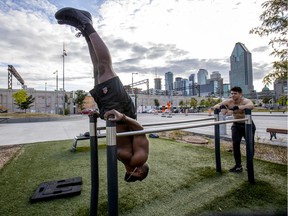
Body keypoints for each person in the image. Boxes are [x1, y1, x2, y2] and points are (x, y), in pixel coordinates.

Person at [55, 7, 149, 182]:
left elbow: (118, 135)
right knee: (105, 67)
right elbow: (139, 130)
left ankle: (84, 30)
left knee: (97, 71)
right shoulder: (138, 159)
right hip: (122, 110)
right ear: (139, 171)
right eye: (133, 175)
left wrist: (101, 116)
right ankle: (87, 24)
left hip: (111, 111)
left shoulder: (127, 161)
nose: (129, 174)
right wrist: (123, 117)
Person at [213, 86, 256, 172]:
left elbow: (251, 106)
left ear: (240, 94)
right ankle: (238, 166)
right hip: (236, 125)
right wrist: (221, 107)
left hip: (247, 125)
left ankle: (249, 165)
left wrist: (238, 107)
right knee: (235, 145)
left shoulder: (245, 101)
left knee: (250, 145)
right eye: (232, 93)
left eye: (235, 93)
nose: (233, 95)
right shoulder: (229, 101)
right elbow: (216, 105)